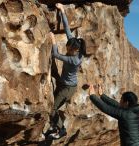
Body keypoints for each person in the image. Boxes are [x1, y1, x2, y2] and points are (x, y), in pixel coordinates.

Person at [47, 3, 86, 139]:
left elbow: (56, 55)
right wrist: (62, 10)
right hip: (66, 84)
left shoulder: (74, 59)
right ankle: (53, 125)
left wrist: (53, 40)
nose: (67, 49)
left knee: (53, 108)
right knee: (53, 103)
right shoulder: (75, 44)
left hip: (68, 88)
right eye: (67, 47)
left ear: (74, 50)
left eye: (69, 49)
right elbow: (68, 29)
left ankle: (61, 129)